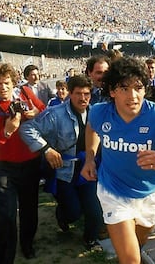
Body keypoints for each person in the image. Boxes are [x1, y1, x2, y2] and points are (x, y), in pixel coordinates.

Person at [81, 57, 155, 264]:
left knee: (139, 241)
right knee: (130, 260)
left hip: (149, 193)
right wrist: (90, 158)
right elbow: (92, 127)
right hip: (113, 191)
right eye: (124, 88)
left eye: (138, 88)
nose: (133, 96)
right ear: (112, 91)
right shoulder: (100, 112)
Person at [20, 74, 104, 251]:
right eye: (78, 93)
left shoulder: (96, 113)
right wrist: (46, 149)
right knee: (73, 213)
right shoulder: (55, 114)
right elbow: (27, 129)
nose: (83, 98)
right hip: (65, 170)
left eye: (87, 94)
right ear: (70, 94)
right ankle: (62, 215)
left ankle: (90, 240)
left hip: (88, 168)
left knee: (95, 211)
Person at [0, 63, 44, 263]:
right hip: (3, 167)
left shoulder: (24, 93)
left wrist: (35, 113)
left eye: (6, 83)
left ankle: (27, 243)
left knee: (29, 209)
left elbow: (43, 109)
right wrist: (7, 131)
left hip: (31, 163)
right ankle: (5, 257)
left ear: (13, 82)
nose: (3, 87)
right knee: (5, 215)